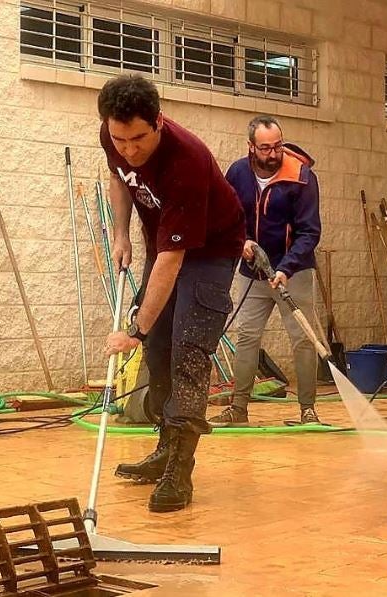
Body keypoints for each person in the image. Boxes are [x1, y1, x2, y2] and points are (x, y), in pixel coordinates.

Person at [98, 75, 245, 513]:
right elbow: (119, 178)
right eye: (119, 139)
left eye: (138, 139)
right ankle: (163, 449)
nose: (128, 149)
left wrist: (135, 331)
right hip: (163, 244)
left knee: (188, 354)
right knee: (160, 351)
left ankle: (180, 472)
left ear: (159, 121)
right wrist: (121, 234)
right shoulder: (114, 135)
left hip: (210, 251)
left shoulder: (188, 160)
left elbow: (173, 260)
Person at [209, 115, 322, 427]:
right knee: (245, 336)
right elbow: (227, 214)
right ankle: (239, 409)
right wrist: (240, 241)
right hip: (252, 273)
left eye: (278, 146)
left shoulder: (301, 176)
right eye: (266, 148)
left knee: (302, 339)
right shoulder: (237, 172)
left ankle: (308, 410)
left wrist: (286, 268)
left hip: (293, 273)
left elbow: (310, 232)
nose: (273, 154)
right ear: (251, 147)